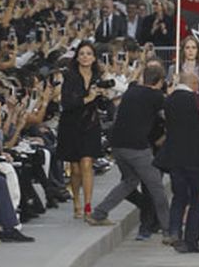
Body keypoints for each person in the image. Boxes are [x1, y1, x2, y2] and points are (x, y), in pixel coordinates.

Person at [85, 60, 171, 245]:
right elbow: (169, 114)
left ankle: (99, 213)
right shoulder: (156, 96)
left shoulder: (132, 91)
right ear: (161, 81)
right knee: (157, 188)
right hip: (137, 147)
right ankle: (168, 230)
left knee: (129, 181)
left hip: (117, 146)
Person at [156, 70, 199, 254]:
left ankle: (174, 231)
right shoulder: (197, 99)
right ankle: (192, 240)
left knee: (179, 197)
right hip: (197, 158)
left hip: (175, 157)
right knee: (197, 200)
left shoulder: (170, 100)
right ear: (194, 84)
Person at [57, 41, 106, 219]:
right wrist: (88, 98)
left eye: (89, 54)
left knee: (87, 163)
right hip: (71, 125)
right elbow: (67, 103)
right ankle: (76, 200)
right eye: (82, 53)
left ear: (94, 58)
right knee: (75, 168)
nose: (85, 57)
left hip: (90, 125)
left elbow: (103, 105)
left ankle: (87, 206)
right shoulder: (70, 76)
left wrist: (102, 95)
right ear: (77, 57)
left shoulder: (98, 76)